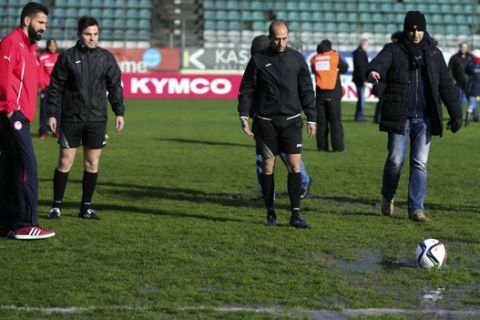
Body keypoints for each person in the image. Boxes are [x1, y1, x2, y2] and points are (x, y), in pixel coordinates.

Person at [368, 11, 463, 223]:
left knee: (420, 163)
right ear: (406, 29)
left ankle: (416, 209)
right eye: (411, 29)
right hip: (400, 116)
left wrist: (456, 113)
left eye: (419, 29)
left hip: (425, 118)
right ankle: (388, 195)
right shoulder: (393, 50)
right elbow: (379, 63)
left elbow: (446, 86)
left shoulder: (434, 54)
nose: (415, 33)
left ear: (424, 29)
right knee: (395, 161)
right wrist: (374, 71)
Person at [238, 20, 316, 228]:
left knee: (294, 166)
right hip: (266, 123)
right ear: (270, 37)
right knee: (268, 167)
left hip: (291, 122)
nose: (281, 43)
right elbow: (246, 90)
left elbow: (307, 90)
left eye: (284, 38)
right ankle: (270, 214)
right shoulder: (258, 60)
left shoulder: (297, 59)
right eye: (276, 39)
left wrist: (312, 116)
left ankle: (295, 215)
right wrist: (244, 115)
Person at [47, 16, 125, 220]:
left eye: (96, 34)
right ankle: (56, 206)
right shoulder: (67, 57)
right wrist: (52, 113)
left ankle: (86, 208)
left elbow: (115, 86)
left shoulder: (106, 58)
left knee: (92, 163)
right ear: (79, 35)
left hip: (97, 119)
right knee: (65, 162)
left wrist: (119, 112)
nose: (92, 38)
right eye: (88, 34)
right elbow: (55, 86)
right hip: (72, 117)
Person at [0, 2, 55, 239]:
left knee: (10, 168)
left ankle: (6, 223)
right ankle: (26, 223)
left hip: (22, 115)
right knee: (26, 166)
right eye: (40, 22)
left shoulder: (30, 49)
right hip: (13, 114)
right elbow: (2, 77)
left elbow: (36, 82)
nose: (43, 27)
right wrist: (10, 109)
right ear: (27, 21)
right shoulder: (12, 42)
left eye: (45, 23)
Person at [250, 35, 312, 198]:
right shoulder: (260, 63)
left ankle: (299, 183)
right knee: (273, 156)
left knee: (271, 156)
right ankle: (273, 191)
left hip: (276, 118)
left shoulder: (266, 64)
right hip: (265, 118)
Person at [310, 39, 348, 151]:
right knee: (335, 122)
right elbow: (345, 68)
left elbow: (313, 70)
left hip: (320, 95)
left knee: (321, 123)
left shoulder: (314, 59)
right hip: (333, 94)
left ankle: (322, 147)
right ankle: (338, 147)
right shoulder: (334, 56)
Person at [372, 32, 402, 124]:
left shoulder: (390, 50)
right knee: (382, 101)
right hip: (384, 82)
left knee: (383, 102)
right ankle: (379, 118)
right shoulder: (390, 50)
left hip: (385, 81)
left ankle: (379, 118)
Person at [38, 39, 60, 139]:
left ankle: (57, 131)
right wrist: (42, 86)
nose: (52, 47)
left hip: (58, 89)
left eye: (54, 45)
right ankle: (43, 132)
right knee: (44, 110)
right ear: (47, 46)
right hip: (46, 88)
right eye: (50, 45)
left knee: (58, 110)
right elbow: (39, 73)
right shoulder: (42, 57)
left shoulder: (60, 57)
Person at [448, 42, 473, 115]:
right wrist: (452, 80)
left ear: (467, 48)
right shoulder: (454, 57)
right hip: (458, 83)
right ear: (459, 47)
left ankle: (475, 116)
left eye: (465, 47)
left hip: (469, 83)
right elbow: (449, 70)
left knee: (472, 100)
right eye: (462, 47)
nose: (463, 49)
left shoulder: (471, 57)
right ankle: (459, 115)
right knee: (458, 101)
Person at [352, 39, 369, 122]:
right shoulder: (360, 54)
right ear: (363, 45)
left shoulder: (358, 53)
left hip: (358, 78)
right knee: (361, 98)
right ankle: (360, 116)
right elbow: (361, 68)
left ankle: (358, 115)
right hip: (360, 79)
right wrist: (364, 79)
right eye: (367, 45)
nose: (368, 47)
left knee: (360, 98)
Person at [465, 49, 480, 126]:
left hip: (473, 87)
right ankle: (475, 117)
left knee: (472, 103)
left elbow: (466, 71)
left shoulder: (470, 64)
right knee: (473, 103)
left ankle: (467, 121)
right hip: (477, 86)